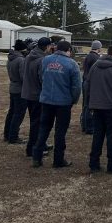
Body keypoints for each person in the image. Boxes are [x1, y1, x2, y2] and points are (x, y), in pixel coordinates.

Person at [32, 40, 81, 168]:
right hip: (63, 102)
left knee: (43, 129)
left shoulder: (46, 60)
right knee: (60, 132)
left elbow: (41, 77)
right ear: (68, 50)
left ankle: (36, 157)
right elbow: (76, 87)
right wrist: (73, 100)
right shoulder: (72, 64)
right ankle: (58, 160)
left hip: (46, 100)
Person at [87, 45, 112, 174]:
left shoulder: (95, 66)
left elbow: (88, 84)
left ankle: (94, 163)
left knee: (97, 135)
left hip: (97, 106)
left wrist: (90, 102)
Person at [21, 37, 54, 158]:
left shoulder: (30, 56)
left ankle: (41, 144)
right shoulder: (42, 60)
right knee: (37, 123)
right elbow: (43, 79)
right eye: (50, 46)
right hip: (37, 95)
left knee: (36, 122)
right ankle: (33, 148)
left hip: (28, 93)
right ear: (46, 47)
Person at [4, 39, 28, 144]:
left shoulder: (10, 59)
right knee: (18, 114)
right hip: (20, 89)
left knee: (12, 112)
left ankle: (7, 134)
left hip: (12, 87)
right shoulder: (21, 60)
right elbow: (23, 77)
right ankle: (13, 136)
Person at [80, 40, 102, 134]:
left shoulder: (87, 56)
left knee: (85, 105)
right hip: (91, 83)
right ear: (98, 47)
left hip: (85, 82)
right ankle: (89, 127)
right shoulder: (96, 58)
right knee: (90, 106)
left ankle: (84, 125)